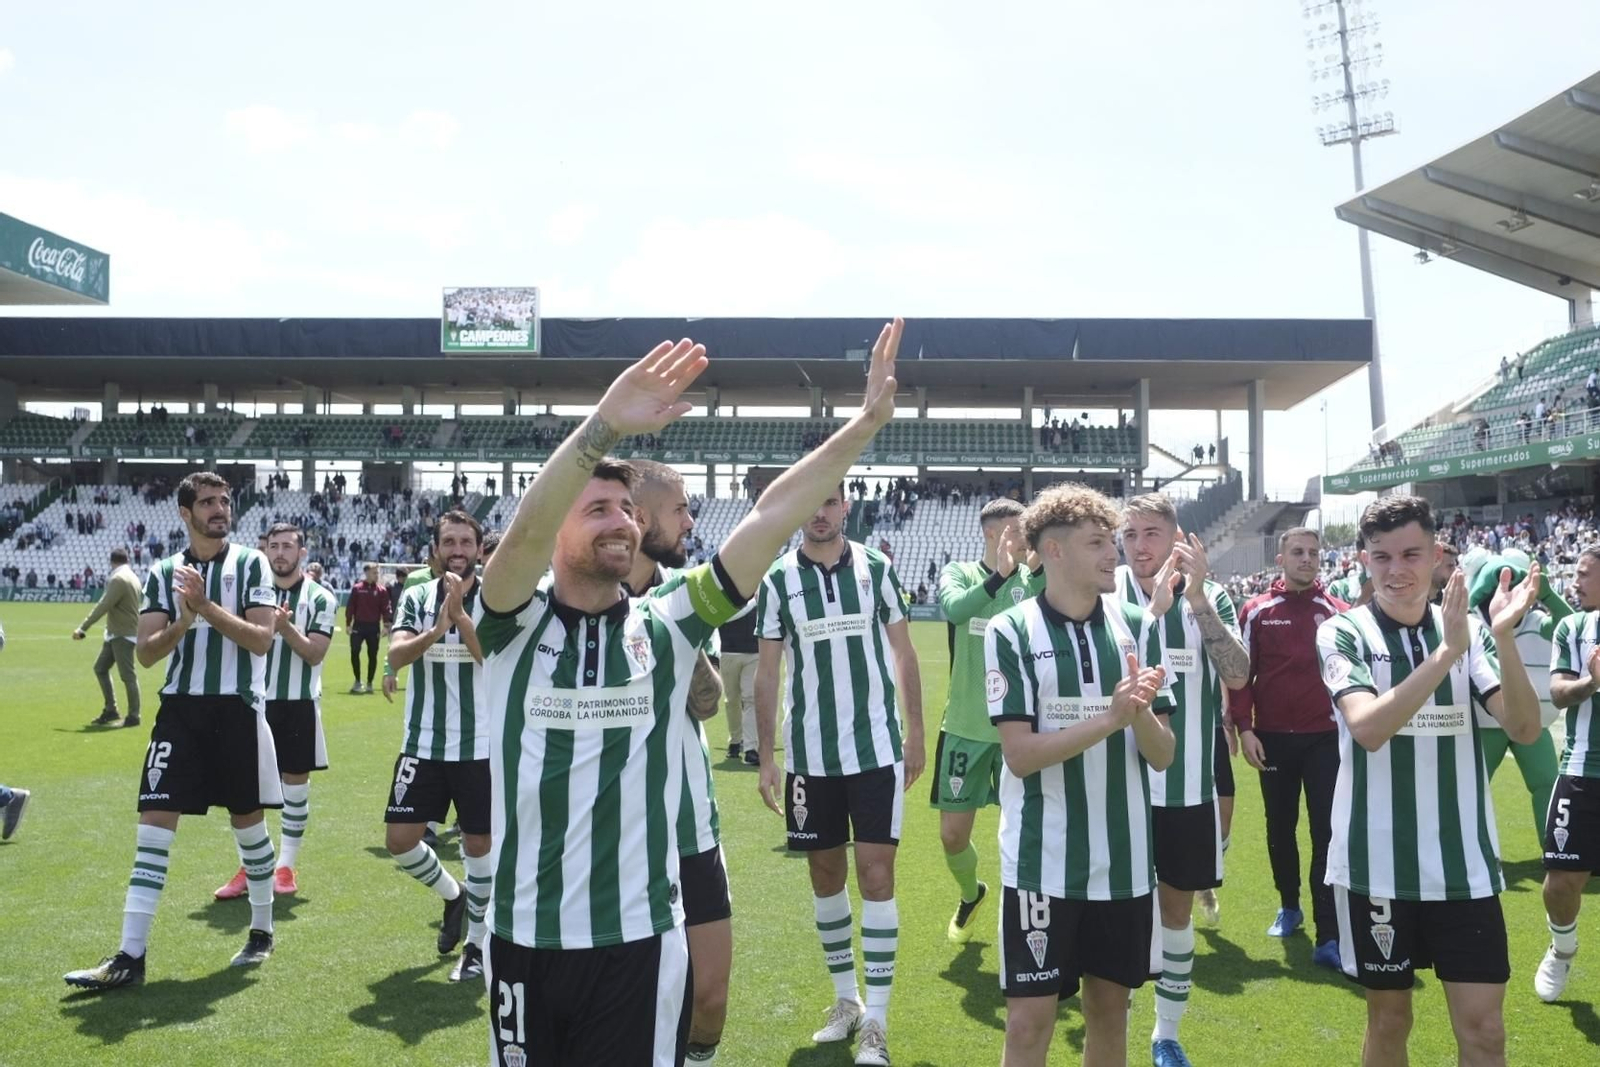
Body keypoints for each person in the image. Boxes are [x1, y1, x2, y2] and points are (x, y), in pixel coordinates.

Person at [479, 323, 902, 1066]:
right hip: (522, 939)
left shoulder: (667, 622)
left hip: (639, 940)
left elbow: (770, 517)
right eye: (597, 509)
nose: (622, 521)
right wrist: (605, 424)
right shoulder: (512, 623)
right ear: (558, 529)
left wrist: (863, 427)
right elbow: (520, 536)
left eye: (627, 509)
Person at [1315, 495, 1541, 1066]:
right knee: (1390, 1021)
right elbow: (1368, 728)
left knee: (1485, 1030)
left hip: (1465, 866)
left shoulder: (1470, 630)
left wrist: (1503, 637)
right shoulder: (1343, 632)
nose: (1396, 570)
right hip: (1377, 867)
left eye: (1411, 554)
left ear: (1437, 555)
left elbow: (1524, 727)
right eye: (1381, 556)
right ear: (1363, 560)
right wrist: (1444, 655)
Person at [65, 471, 283, 991]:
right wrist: (184, 622)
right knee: (153, 826)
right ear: (186, 513)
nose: (219, 509)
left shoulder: (251, 563)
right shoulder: (164, 572)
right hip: (180, 713)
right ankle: (130, 956)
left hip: (236, 710)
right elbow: (145, 653)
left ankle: (261, 929)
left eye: (224, 501)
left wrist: (205, 607)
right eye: (207, 502)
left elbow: (261, 640)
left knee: (248, 826)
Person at [986, 482, 1174, 1067]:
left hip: (1124, 864)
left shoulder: (1139, 625)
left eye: (1111, 541)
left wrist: (1138, 715)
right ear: (1055, 550)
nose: (1114, 553)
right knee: (1028, 1024)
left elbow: (1164, 754)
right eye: (1097, 543)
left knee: (1110, 1015)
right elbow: (1019, 755)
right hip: (1042, 863)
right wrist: (1111, 717)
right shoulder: (1011, 630)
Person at [755, 474, 926, 1067]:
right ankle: (846, 1000)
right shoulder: (778, 579)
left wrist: (915, 734)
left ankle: (877, 1019)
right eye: (811, 504)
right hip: (809, 757)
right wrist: (768, 756)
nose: (820, 513)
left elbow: (904, 653)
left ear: (846, 506)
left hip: (876, 751)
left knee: (876, 876)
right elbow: (768, 673)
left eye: (829, 502)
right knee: (825, 875)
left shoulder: (877, 568)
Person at [1116, 494, 1249, 1067]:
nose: (1139, 545)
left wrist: (1196, 599)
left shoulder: (1210, 597)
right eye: (1130, 535)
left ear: (1176, 538)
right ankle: (1114, 1029)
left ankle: (1165, 1034)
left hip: (1189, 789)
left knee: (1175, 914)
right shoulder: (1107, 595)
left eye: (1151, 533)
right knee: (1120, 916)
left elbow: (1238, 675)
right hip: (1119, 793)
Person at [621, 460, 736, 1064]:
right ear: (641, 519)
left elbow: (709, 705)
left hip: (689, 823)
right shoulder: (582, 597)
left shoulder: (685, 597)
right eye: (680, 509)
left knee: (709, 999)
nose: (690, 521)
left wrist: (678, 638)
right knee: (633, 999)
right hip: (616, 832)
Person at [1229, 528, 1346, 966]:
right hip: (1273, 738)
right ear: (1281, 559)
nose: (1307, 559)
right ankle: (1290, 905)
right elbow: (1241, 674)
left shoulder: (1337, 611)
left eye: (1313, 552)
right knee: (1280, 827)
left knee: (1326, 832)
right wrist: (1245, 728)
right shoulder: (1257, 611)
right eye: (1298, 552)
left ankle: (1329, 933)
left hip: (1325, 739)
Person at [384, 511, 490, 982]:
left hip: (480, 744)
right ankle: (454, 894)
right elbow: (396, 655)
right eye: (449, 542)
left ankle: (477, 945)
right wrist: (435, 628)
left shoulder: (495, 597)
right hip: (423, 742)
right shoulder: (416, 596)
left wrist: (461, 617)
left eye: (466, 542)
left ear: (479, 550)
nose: (458, 550)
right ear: (435, 550)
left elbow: (492, 658)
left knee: (479, 843)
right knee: (400, 841)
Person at [931, 498, 1041, 945]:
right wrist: (998, 577)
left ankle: (1033, 917)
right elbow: (954, 610)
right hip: (965, 727)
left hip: (1024, 730)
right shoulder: (959, 573)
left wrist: (1029, 570)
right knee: (953, 836)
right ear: (992, 534)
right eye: (1017, 530)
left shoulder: (1034, 580)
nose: (1025, 538)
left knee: (1032, 834)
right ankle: (971, 893)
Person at [214, 523, 334, 899]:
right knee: (245, 792)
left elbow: (315, 654)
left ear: (302, 552)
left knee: (295, 790)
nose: (280, 553)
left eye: (287, 546)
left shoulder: (320, 598)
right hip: (252, 703)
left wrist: (284, 628)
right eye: (274, 546)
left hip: (298, 704)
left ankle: (285, 866)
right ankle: (252, 867)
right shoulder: (249, 594)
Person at [1534, 544, 1600, 1002]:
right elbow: (1558, 693)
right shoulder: (1572, 627)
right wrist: (1593, 682)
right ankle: (1562, 950)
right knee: (1560, 883)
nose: (1574, 582)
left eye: (1583, 573)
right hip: (1582, 770)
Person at [1463, 550, 1566, 843]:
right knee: (1470, 788)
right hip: (1486, 722)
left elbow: (1572, 629)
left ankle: (1556, 849)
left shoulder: (1538, 622)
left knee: (1548, 784)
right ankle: (1465, 850)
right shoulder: (1472, 626)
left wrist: (1548, 595)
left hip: (1535, 722)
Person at [75, 548, 143, 727]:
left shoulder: (118, 579)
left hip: (121, 633)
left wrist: (83, 627)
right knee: (101, 668)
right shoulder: (133, 577)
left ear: (112, 561)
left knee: (127, 675)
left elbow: (104, 605)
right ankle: (111, 709)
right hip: (119, 632)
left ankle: (133, 715)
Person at [717, 601, 760, 764]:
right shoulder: (725, 592)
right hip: (728, 652)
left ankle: (750, 748)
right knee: (732, 700)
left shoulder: (759, 593)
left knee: (750, 699)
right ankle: (735, 741)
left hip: (754, 652)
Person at [346, 563, 390, 693]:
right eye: (374, 573)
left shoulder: (382, 590)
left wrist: (386, 625)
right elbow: (350, 607)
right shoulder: (357, 589)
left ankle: (370, 683)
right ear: (366, 573)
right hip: (358, 626)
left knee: (372, 655)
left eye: (377, 573)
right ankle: (357, 681)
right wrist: (348, 624)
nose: (377, 575)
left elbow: (386, 609)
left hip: (373, 627)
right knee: (354, 651)